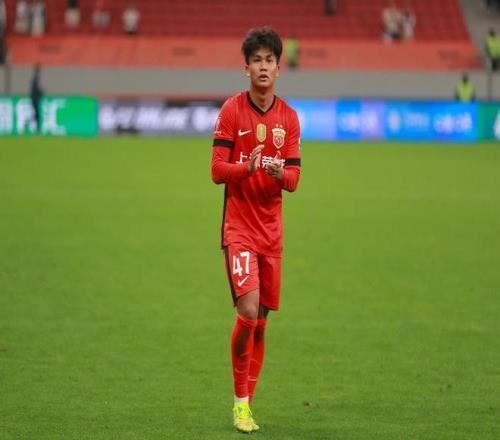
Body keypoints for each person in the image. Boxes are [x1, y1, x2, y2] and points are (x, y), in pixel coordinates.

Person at [211, 27, 301, 433]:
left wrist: (281, 174)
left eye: (269, 60)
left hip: (271, 234)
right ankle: (239, 404)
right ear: (245, 67)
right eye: (256, 60)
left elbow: (295, 180)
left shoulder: (289, 118)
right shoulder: (232, 111)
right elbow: (216, 171)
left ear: (278, 68)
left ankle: (248, 401)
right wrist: (245, 168)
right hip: (239, 228)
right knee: (247, 311)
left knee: (262, 321)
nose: (263, 67)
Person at [30, 64, 43, 132]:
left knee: (35, 114)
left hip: (34, 99)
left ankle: (36, 128)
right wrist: (41, 92)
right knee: (36, 114)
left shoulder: (35, 78)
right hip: (35, 99)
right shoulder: (36, 79)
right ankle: (37, 129)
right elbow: (37, 89)